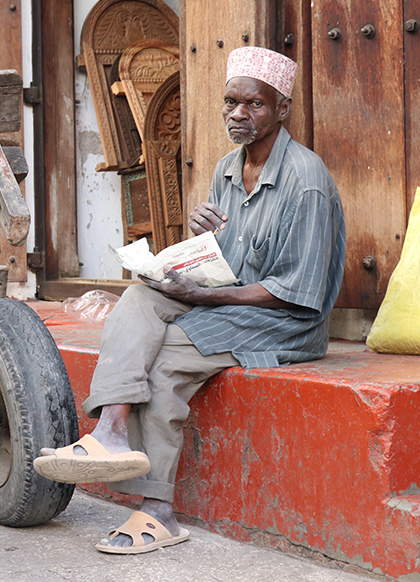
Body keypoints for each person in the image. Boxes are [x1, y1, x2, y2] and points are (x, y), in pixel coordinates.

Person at [34, 47, 346, 555]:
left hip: (281, 322)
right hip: (226, 298)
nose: (238, 115)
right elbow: (222, 261)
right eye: (230, 103)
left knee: (167, 356)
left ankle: (158, 513)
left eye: (254, 105)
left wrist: (202, 295)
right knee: (139, 298)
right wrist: (194, 244)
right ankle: (109, 429)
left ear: (282, 109)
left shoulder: (305, 181)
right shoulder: (226, 168)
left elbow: (296, 293)